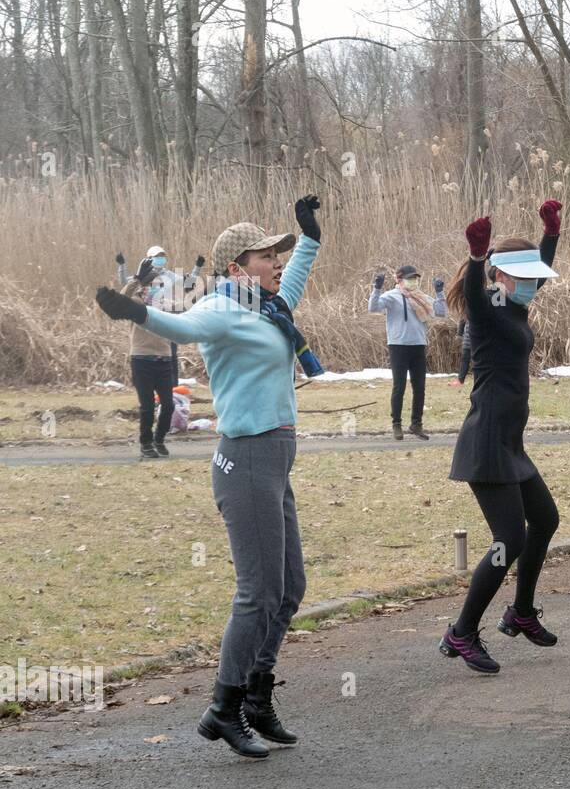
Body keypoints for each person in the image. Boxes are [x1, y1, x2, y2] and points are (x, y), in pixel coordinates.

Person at [94, 194, 325, 758]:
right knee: (258, 594)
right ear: (235, 268)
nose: (276, 260)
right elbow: (182, 323)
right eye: (265, 253)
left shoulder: (273, 307)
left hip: (275, 460)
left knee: (290, 588)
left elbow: (297, 273)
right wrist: (136, 313)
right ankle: (222, 710)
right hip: (244, 461)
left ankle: (256, 696)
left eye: (277, 253)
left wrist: (310, 236)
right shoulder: (223, 309)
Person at [439, 202, 564, 673]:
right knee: (508, 539)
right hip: (487, 440)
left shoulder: (516, 301)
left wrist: (551, 232)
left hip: (509, 443)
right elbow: (473, 294)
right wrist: (475, 259)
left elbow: (541, 271)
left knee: (545, 521)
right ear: (502, 276)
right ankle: (461, 632)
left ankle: (521, 612)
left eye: (536, 276)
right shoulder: (488, 308)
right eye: (525, 276)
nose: (535, 283)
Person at [119, 248, 205, 457]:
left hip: (164, 360)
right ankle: (146, 443)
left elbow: (187, 305)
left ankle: (159, 439)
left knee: (168, 406)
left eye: (155, 284)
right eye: (148, 284)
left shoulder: (165, 304)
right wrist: (135, 278)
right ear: (143, 285)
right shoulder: (135, 303)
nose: (152, 288)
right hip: (141, 359)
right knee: (147, 407)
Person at [369, 264, 444, 439]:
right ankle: (396, 424)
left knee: (420, 388)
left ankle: (416, 424)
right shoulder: (391, 297)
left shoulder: (421, 297)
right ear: (399, 279)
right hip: (398, 346)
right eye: (410, 278)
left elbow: (441, 312)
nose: (413, 281)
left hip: (418, 345)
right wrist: (377, 288)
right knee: (399, 386)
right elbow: (373, 308)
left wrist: (440, 292)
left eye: (415, 278)